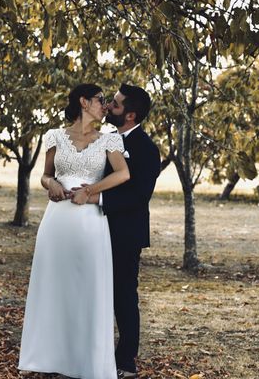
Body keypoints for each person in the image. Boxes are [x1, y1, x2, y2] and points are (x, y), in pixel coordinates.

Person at [18, 83, 129, 379]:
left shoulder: (110, 140)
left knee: (87, 289)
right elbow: (45, 174)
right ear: (83, 101)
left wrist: (91, 190)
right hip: (57, 222)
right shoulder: (55, 136)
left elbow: (123, 174)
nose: (104, 106)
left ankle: (85, 362)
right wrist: (50, 184)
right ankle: (46, 358)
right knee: (53, 286)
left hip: (89, 223)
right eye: (100, 100)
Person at [83, 84, 161, 378]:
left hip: (125, 234)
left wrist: (98, 197)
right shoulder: (107, 139)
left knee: (123, 295)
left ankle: (125, 360)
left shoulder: (146, 148)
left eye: (114, 105)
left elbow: (140, 195)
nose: (107, 107)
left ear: (129, 115)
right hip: (94, 228)